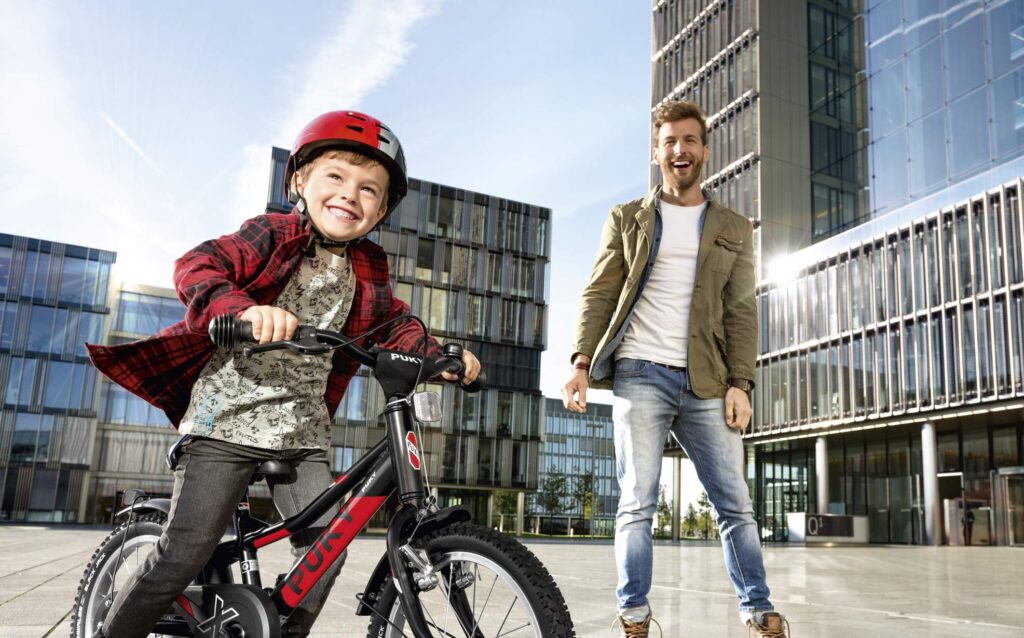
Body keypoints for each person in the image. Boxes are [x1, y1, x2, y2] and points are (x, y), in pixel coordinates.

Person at [86, 110, 480, 638]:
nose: (350, 195)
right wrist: (243, 308)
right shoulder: (272, 234)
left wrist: (439, 356)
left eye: (369, 189)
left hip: (301, 434)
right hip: (225, 422)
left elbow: (394, 325)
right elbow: (199, 265)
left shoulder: (368, 268)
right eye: (335, 177)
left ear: (382, 208)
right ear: (299, 181)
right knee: (184, 553)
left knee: (326, 551)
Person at [562, 100, 788, 638]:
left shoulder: (734, 226)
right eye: (670, 142)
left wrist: (741, 383)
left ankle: (759, 610)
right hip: (640, 371)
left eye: (689, 141)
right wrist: (580, 361)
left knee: (735, 504)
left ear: (704, 151)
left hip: (707, 379)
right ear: (656, 151)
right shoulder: (627, 218)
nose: (680, 151)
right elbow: (599, 292)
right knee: (637, 501)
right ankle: (635, 615)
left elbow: (741, 310)